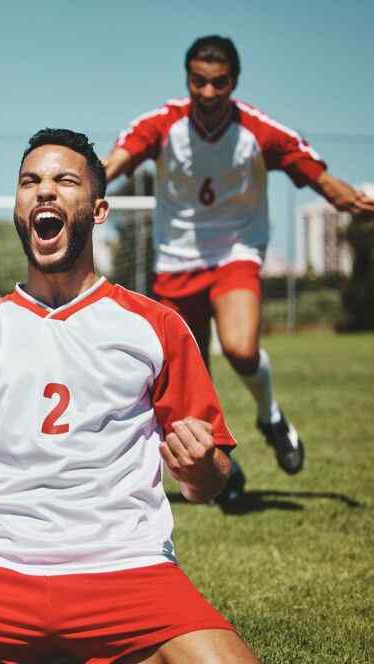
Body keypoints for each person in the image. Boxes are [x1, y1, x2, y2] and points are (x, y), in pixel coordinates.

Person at [0, 129, 258, 663]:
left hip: (131, 571)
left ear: (98, 210)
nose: (44, 190)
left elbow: (210, 482)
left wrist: (200, 465)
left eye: (65, 180)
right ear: (18, 210)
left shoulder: (156, 326)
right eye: (30, 182)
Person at [104, 35, 374, 504]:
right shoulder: (163, 125)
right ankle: (225, 474)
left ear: (234, 83)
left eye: (219, 83)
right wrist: (85, 187)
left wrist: (345, 196)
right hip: (176, 261)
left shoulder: (256, 130)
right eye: (199, 82)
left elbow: (311, 169)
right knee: (187, 383)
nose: (208, 92)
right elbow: (115, 162)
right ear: (188, 80)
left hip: (235, 252)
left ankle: (270, 416)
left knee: (240, 347)